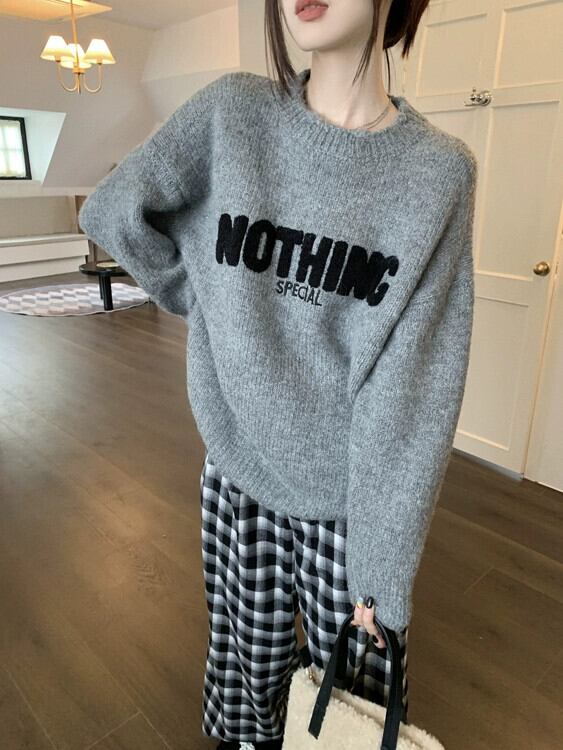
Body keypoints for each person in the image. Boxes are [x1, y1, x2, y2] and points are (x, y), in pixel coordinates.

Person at [77, 1, 477, 748]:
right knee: (248, 674)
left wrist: (382, 572)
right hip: (236, 473)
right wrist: (200, 295)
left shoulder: (437, 173)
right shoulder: (233, 115)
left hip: (348, 500)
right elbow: (116, 210)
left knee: (350, 698)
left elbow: (414, 391)